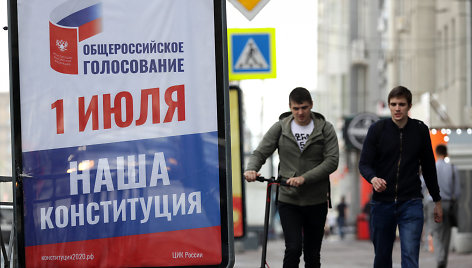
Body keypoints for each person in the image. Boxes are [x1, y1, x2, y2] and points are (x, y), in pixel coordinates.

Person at [244, 87, 339, 268]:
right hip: (288, 199)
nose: (300, 112)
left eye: (304, 107)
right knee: (293, 248)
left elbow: (332, 161)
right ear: (290, 107)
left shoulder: (325, 128)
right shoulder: (281, 127)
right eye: (296, 108)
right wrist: (251, 169)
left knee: (312, 254)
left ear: (311, 105)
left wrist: (305, 178)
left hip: (316, 200)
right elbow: (260, 152)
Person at [359, 86, 443, 268]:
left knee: (410, 256)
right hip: (382, 203)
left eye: (402, 104)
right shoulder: (377, 129)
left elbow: (429, 168)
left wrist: (437, 201)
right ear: (389, 106)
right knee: (381, 258)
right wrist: (373, 179)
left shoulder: (420, 130)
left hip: (411, 202)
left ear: (409, 106)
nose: (397, 108)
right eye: (393, 104)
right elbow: (364, 164)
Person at [429, 144, 460, 268]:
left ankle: (439, 258)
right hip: (447, 204)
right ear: (446, 153)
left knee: (436, 233)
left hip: (433, 204)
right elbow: (457, 191)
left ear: (436, 153)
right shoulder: (453, 168)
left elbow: (424, 185)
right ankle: (443, 261)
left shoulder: (432, 167)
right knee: (446, 234)